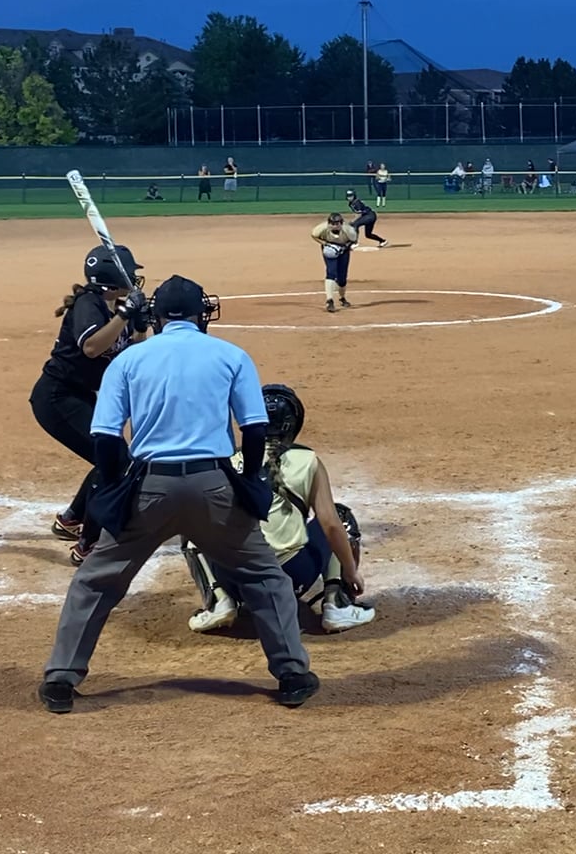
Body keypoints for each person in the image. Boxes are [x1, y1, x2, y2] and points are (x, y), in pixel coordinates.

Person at [38, 276, 319, 713]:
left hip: (149, 489)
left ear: (157, 316)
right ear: (199, 314)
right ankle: (292, 674)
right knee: (265, 578)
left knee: (95, 581)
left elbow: (106, 437)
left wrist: (112, 489)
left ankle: (61, 678)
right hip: (214, 489)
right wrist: (249, 482)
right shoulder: (230, 355)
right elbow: (254, 429)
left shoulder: (129, 360)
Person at [185, 384, 375, 635]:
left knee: (192, 524)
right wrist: (350, 571)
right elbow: (330, 525)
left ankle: (219, 601)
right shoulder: (308, 461)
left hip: (236, 581)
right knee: (340, 517)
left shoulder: (229, 462)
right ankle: (337, 604)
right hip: (292, 577)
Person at [35, 246, 150, 563]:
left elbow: (131, 357)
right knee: (115, 460)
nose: (134, 278)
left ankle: (72, 519)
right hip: (57, 397)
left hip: (80, 395)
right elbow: (91, 347)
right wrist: (125, 315)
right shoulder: (89, 304)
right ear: (111, 278)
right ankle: (88, 545)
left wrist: (139, 326)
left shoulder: (114, 307)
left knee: (112, 458)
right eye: (129, 273)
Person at [311, 211, 359, 313]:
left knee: (342, 279)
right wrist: (325, 243)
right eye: (332, 224)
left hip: (343, 250)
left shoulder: (349, 231)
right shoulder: (321, 228)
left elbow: (353, 240)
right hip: (329, 250)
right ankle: (329, 301)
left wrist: (344, 247)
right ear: (328, 223)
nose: (334, 226)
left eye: (337, 224)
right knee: (331, 273)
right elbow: (314, 235)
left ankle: (342, 298)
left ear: (341, 223)